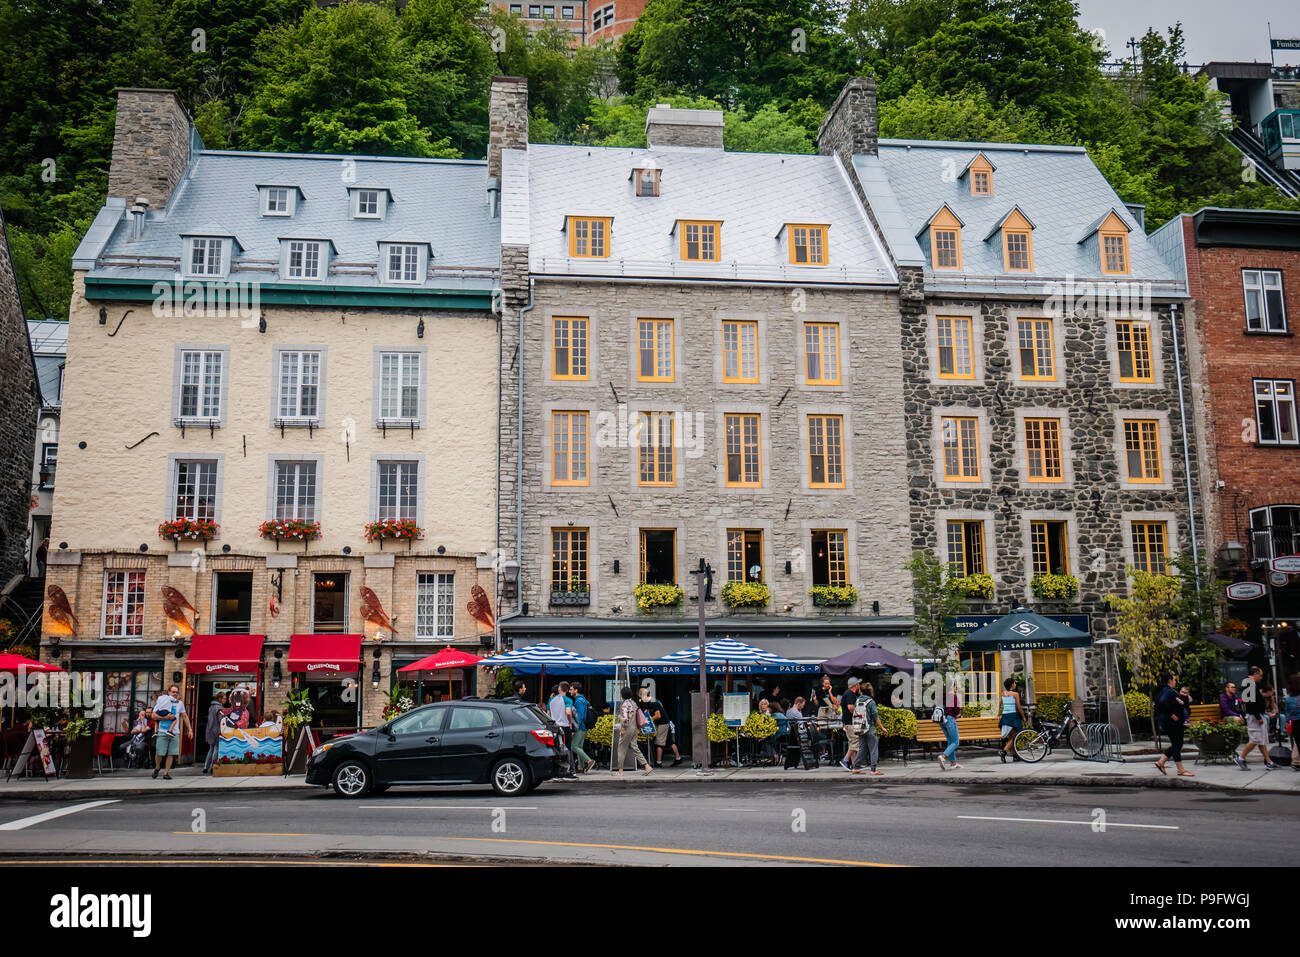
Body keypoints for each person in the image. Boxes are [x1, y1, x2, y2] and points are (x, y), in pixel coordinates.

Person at [1235, 666, 1278, 770]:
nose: (1261, 677)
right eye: (1260, 675)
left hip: (1256, 715)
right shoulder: (1249, 684)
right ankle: (1241, 758)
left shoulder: (1249, 684)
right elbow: (1251, 703)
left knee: (1261, 740)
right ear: (1254, 674)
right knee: (1255, 739)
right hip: (1254, 716)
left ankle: (1269, 762)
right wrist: (1258, 716)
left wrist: (1265, 714)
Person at [1153, 673, 1193, 777]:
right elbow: (1163, 703)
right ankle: (1180, 770)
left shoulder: (1161, 691)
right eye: (1174, 680)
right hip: (1172, 723)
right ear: (1170, 681)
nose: (1175, 681)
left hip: (1167, 722)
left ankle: (1161, 762)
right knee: (1177, 744)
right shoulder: (1168, 691)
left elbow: (1164, 704)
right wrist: (1171, 715)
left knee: (1177, 744)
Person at [151, 684, 191, 780]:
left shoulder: (180, 703)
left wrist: (190, 729)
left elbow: (185, 716)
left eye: (177, 692)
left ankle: (166, 773)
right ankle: (157, 767)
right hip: (162, 731)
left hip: (175, 732)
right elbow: (153, 716)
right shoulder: (162, 701)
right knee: (160, 753)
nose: (175, 694)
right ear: (168, 692)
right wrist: (165, 718)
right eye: (173, 692)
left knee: (171, 753)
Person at [613, 687, 651, 776]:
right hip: (634, 728)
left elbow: (625, 718)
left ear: (623, 695)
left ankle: (620, 771)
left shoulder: (625, 704)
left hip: (627, 728)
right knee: (634, 746)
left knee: (621, 748)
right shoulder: (633, 703)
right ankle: (646, 766)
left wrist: (623, 728)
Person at [641, 687, 682, 767]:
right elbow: (646, 711)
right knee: (670, 741)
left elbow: (658, 716)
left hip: (662, 723)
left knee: (659, 743)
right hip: (664, 722)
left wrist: (649, 719)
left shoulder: (654, 703)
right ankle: (678, 758)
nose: (641, 699)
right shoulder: (648, 702)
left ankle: (658, 762)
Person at [851, 686, 887, 776]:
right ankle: (873, 770)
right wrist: (882, 727)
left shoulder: (857, 701)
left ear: (861, 692)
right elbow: (875, 717)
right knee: (873, 748)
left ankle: (855, 767)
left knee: (862, 748)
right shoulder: (871, 702)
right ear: (870, 692)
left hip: (860, 728)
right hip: (869, 728)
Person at [547, 682, 577, 779]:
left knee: (555, 749)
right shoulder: (567, 700)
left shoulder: (551, 700)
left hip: (554, 727)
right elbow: (568, 712)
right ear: (567, 690)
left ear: (559, 689)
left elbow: (548, 714)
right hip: (564, 727)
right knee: (568, 748)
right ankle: (571, 771)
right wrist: (570, 722)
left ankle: (556, 772)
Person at [998, 677, 1026, 762]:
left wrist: (998, 714)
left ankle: (1014, 755)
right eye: (1014, 683)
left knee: (1011, 736)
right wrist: (1023, 717)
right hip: (1013, 715)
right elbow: (1019, 707)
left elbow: (998, 704)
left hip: (1005, 715)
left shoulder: (1003, 693)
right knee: (1015, 735)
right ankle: (1004, 751)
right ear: (1012, 685)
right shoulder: (1015, 694)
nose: (1015, 684)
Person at [569, 681, 594, 772]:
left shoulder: (578, 701)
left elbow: (580, 716)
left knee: (573, 746)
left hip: (580, 727)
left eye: (571, 689)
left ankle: (589, 760)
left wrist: (575, 728)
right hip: (584, 727)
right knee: (579, 746)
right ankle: (580, 766)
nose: (569, 691)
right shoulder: (583, 699)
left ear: (576, 690)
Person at [937, 681, 963, 771]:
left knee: (950, 742)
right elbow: (957, 710)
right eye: (955, 687)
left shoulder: (942, 697)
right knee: (955, 742)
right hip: (950, 720)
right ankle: (943, 756)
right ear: (953, 687)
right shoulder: (953, 697)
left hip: (941, 721)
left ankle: (953, 763)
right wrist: (957, 715)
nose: (956, 689)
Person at [839, 677, 861, 770]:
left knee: (852, 742)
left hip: (847, 722)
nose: (859, 685)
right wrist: (859, 715)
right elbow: (850, 707)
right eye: (858, 683)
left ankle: (854, 765)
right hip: (850, 722)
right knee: (855, 741)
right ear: (855, 685)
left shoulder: (847, 693)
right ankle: (845, 759)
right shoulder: (850, 694)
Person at [203, 691, 227, 774]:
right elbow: (221, 720)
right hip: (217, 730)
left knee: (211, 749)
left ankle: (206, 767)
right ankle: (213, 766)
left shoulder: (211, 707)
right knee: (216, 748)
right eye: (224, 698)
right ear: (219, 699)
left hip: (210, 729)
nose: (225, 700)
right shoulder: (219, 708)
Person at [1284, 674, 1300, 772]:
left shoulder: (1288, 698)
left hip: (1295, 724)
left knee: (1298, 744)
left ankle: (1296, 761)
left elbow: (1288, 713)